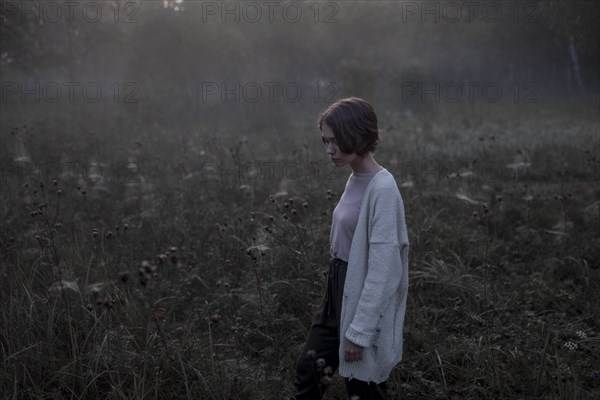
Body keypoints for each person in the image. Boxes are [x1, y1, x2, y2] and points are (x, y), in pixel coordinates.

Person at [292, 97, 410, 400]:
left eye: (335, 141)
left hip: (362, 293)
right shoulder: (354, 177)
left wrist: (360, 331)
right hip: (337, 288)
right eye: (325, 142)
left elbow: (383, 268)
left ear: (356, 135)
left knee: (364, 385)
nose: (329, 150)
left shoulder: (383, 188)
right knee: (309, 372)